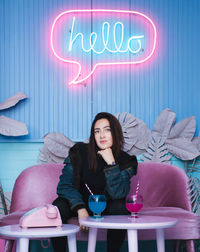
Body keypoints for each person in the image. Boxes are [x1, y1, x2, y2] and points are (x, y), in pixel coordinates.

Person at [52, 112, 138, 252]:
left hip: (107, 205)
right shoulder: (79, 152)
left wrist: (111, 163)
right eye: (97, 131)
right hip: (80, 203)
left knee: (120, 207)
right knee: (58, 206)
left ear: (115, 133)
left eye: (107, 130)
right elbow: (64, 185)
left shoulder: (127, 161)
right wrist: (80, 208)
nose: (102, 135)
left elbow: (118, 193)